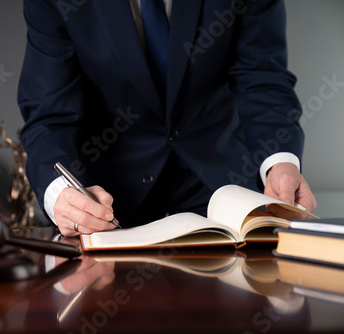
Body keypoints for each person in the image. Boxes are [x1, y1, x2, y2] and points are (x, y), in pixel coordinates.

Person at [18, 0, 317, 237]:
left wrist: (280, 162)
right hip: (107, 201)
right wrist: (60, 193)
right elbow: (49, 114)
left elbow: (262, 78)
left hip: (223, 187)